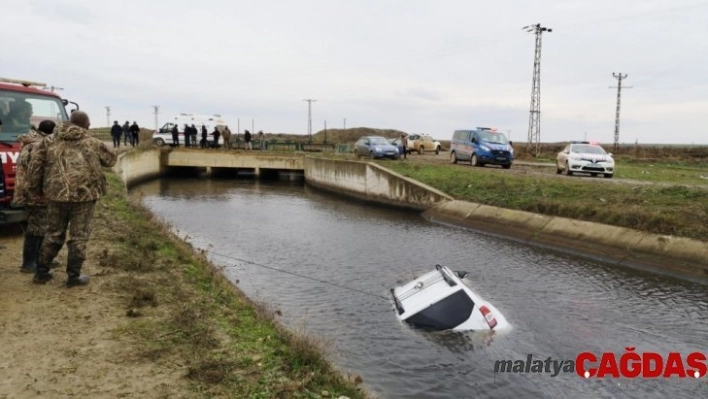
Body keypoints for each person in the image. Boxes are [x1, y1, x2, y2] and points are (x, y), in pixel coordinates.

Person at [27, 111, 117, 287]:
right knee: (79, 236)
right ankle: (73, 277)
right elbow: (110, 160)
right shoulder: (92, 142)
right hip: (85, 196)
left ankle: (41, 272)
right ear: (86, 125)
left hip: (55, 194)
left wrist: (35, 190)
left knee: (53, 233)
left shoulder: (48, 141)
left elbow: (35, 168)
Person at [13, 120, 56, 273]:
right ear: (51, 132)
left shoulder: (31, 141)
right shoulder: (38, 145)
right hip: (34, 192)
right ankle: (29, 263)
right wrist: (38, 193)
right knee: (35, 228)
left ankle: (38, 258)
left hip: (29, 190)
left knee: (39, 226)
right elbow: (35, 172)